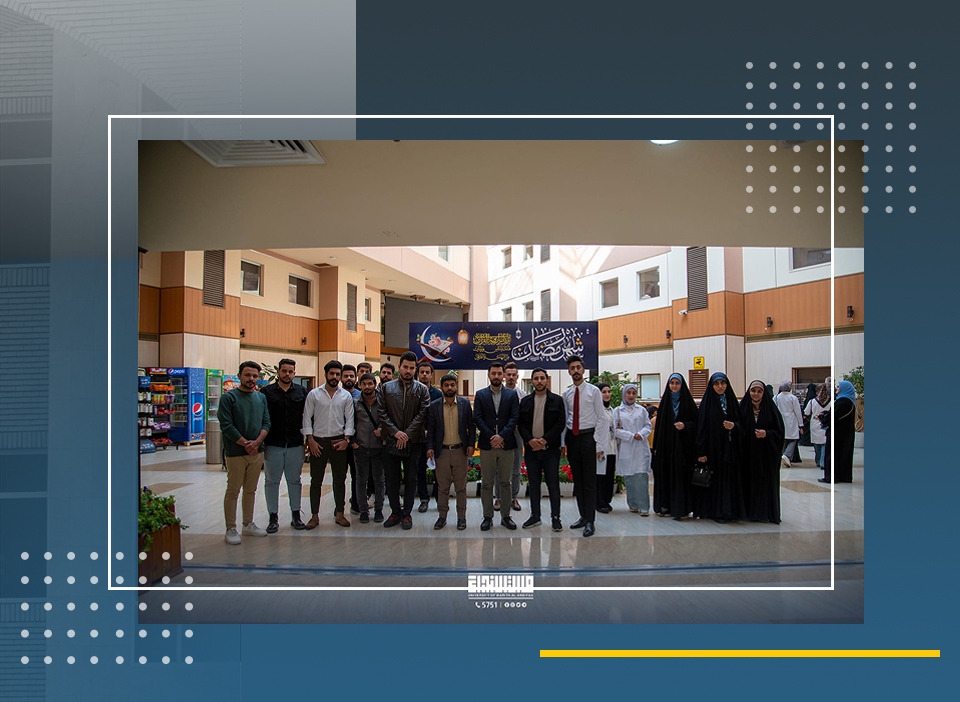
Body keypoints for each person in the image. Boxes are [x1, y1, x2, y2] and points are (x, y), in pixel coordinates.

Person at [217, 361, 271, 544]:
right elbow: (226, 425)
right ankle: (230, 528)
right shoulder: (229, 398)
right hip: (236, 452)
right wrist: (245, 443)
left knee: (251, 490)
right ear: (239, 376)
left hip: (256, 452)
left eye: (255, 376)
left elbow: (266, 422)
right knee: (233, 490)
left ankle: (248, 524)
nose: (251, 379)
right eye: (247, 375)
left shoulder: (260, 397)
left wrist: (257, 442)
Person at [377, 351, 431, 529]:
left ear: (415, 369)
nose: (408, 371)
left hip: (413, 441)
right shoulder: (386, 388)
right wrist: (396, 433)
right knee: (391, 479)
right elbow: (381, 412)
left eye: (411, 368)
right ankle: (395, 512)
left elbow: (423, 413)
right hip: (391, 440)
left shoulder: (422, 390)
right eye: (405, 367)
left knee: (411, 479)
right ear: (399, 367)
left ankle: (407, 513)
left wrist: (406, 434)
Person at [302, 360, 355, 529]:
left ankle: (339, 514)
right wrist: (310, 440)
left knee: (339, 480)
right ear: (325, 374)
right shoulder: (314, 394)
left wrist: (346, 440)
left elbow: (350, 419)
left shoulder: (345, 396)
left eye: (337, 374)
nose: (334, 377)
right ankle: (314, 516)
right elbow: (307, 418)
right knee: (316, 480)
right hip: (318, 442)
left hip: (338, 442)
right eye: (331, 373)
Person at [562, 355, 607, 537]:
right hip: (573, 439)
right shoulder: (567, 394)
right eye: (572, 368)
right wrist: (563, 443)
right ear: (569, 372)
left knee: (589, 482)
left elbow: (602, 418)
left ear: (583, 370)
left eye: (578, 367)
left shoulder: (594, 391)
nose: (575, 371)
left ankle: (590, 521)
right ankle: (582, 516)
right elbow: (566, 419)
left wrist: (598, 442)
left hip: (589, 438)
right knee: (578, 481)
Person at [517, 367, 566, 531]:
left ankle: (556, 518)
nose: (539, 381)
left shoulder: (557, 400)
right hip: (531, 450)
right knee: (534, 484)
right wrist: (530, 440)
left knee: (553, 484)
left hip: (551, 450)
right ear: (532, 381)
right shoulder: (525, 401)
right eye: (536, 378)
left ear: (547, 380)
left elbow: (560, 423)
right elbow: (520, 424)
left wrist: (545, 439)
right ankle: (535, 516)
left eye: (542, 378)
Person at [261, 358, 307, 532]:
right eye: (284, 371)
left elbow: (307, 416)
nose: (287, 374)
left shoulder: (302, 392)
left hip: (295, 443)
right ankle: (273, 518)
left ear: (294, 373)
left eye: (290, 371)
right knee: (272, 481)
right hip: (273, 443)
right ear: (278, 372)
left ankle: (296, 516)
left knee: (294, 481)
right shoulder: (266, 392)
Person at [474, 361, 521, 531]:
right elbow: (477, 418)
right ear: (488, 375)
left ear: (503, 375)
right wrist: (491, 436)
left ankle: (506, 516)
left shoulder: (512, 394)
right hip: (487, 445)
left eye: (499, 373)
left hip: (506, 445)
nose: (496, 376)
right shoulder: (480, 394)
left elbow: (514, 417)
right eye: (493, 373)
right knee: (487, 483)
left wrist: (501, 436)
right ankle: (487, 517)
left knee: (505, 482)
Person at [425, 373, 475, 530]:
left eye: (452, 385)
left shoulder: (465, 404)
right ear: (442, 387)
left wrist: (471, 444)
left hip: (460, 451)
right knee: (443, 488)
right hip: (442, 452)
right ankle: (442, 517)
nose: (450, 388)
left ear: (456, 386)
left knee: (461, 487)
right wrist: (430, 447)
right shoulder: (434, 406)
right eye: (446, 385)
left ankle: (461, 518)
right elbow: (430, 429)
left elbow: (471, 426)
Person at [694, 372, 746, 523]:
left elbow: (742, 425)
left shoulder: (732, 403)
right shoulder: (707, 405)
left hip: (731, 450)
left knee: (730, 480)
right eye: (716, 384)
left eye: (722, 383)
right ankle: (716, 512)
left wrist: (733, 426)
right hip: (713, 450)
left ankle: (730, 511)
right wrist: (701, 452)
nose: (720, 387)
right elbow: (701, 429)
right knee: (716, 481)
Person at [652, 374, 698, 520]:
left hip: (684, 448)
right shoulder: (665, 403)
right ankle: (665, 507)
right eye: (672, 383)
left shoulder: (688, 403)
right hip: (666, 448)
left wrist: (685, 425)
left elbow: (696, 423)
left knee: (682, 477)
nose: (674, 386)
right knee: (666, 476)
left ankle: (681, 509)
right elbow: (659, 427)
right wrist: (656, 447)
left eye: (677, 383)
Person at [739, 380, 785, 524]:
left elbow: (779, 433)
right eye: (753, 391)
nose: (756, 394)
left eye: (759, 391)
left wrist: (767, 434)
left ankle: (763, 513)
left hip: (766, 456)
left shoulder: (771, 410)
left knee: (765, 484)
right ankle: (748, 512)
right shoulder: (743, 409)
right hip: (747, 455)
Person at [350, 372, 386, 523]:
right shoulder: (355, 402)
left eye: (370, 383)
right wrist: (353, 441)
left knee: (379, 480)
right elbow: (350, 422)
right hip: (361, 447)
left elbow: (388, 419)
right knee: (361, 480)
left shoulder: (383, 400)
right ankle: (363, 510)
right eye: (364, 384)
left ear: (375, 384)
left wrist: (383, 430)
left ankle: (378, 509)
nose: (367, 386)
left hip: (379, 447)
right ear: (359, 385)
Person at [613, 384, 653, 515]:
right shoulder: (617, 411)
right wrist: (630, 436)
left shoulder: (641, 410)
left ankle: (644, 506)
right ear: (624, 394)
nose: (631, 395)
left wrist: (640, 434)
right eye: (628, 392)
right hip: (626, 446)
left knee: (641, 477)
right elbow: (614, 430)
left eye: (633, 393)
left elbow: (648, 426)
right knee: (629, 477)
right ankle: (633, 504)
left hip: (640, 447)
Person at [495, 361, 525, 512]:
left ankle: (513, 498)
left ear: (517, 376)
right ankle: (499, 498)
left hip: (517, 434)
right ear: (504, 376)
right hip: (500, 434)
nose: (511, 377)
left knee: (516, 468)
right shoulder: (497, 394)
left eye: (514, 375)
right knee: (498, 468)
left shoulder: (523, 396)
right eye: (509, 375)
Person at [415, 361, 443, 513]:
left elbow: (440, 417)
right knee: (420, 470)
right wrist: (421, 430)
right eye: (422, 372)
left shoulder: (438, 394)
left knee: (438, 471)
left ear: (431, 375)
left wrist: (431, 432)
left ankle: (439, 499)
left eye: (427, 372)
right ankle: (424, 500)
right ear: (418, 374)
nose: (424, 375)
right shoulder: (413, 392)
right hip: (418, 438)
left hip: (435, 439)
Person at [823, 380, 857, 484]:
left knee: (832, 454)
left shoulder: (842, 402)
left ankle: (831, 477)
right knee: (844, 454)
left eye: (838, 387)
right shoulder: (850, 402)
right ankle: (844, 476)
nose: (836, 388)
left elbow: (834, 416)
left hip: (837, 433)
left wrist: (823, 418)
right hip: (846, 433)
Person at [340, 364, 362, 515]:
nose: (349, 378)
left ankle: (356, 503)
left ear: (356, 378)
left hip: (356, 443)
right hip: (339, 441)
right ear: (341, 378)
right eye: (346, 376)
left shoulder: (360, 395)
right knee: (339, 477)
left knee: (357, 475)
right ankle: (339, 508)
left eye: (351, 376)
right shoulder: (336, 395)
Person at [594, 382, 617, 513]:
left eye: (608, 391)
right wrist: (597, 446)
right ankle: (599, 502)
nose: (607, 394)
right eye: (604, 392)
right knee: (600, 475)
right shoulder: (597, 410)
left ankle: (607, 500)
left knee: (609, 474)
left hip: (611, 448)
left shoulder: (611, 409)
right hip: (601, 448)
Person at [774, 381, 804, 468]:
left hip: (780, 420)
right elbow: (798, 411)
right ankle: (787, 455)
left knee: (784, 440)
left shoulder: (776, 397)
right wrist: (801, 424)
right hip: (792, 421)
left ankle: (782, 455)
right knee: (793, 439)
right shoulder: (793, 398)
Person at [804, 383, 829, 469]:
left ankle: (818, 460)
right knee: (824, 444)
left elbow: (806, 412)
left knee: (817, 444)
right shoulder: (831, 402)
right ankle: (823, 462)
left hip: (814, 424)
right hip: (826, 424)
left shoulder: (812, 401)